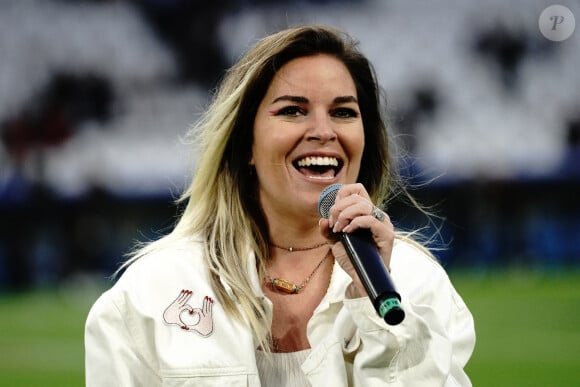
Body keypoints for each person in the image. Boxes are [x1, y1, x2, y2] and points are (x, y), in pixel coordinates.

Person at [85, 25, 475, 386]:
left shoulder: (415, 282)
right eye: (292, 110)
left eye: (343, 112)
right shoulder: (152, 291)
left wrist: (378, 317)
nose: (323, 132)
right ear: (246, 144)